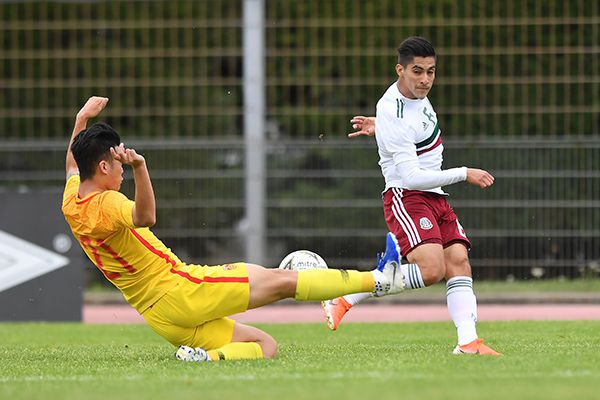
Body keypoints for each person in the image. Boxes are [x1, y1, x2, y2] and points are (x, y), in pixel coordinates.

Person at [62, 96, 404, 362]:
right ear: (104, 165)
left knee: (264, 346)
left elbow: (72, 163)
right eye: (116, 164)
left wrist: (82, 119)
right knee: (283, 281)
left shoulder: (72, 199)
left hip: (159, 316)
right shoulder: (108, 204)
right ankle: (378, 279)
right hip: (181, 291)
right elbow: (145, 217)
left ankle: (203, 358)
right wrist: (140, 167)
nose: (120, 171)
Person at [322, 36, 501, 356]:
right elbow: (411, 176)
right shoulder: (394, 111)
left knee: (458, 260)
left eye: (431, 72)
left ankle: (468, 342)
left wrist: (382, 127)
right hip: (408, 194)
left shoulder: (406, 103)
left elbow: (404, 124)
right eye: (417, 71)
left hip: (434, 195)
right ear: (400, 70)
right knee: (431, 270)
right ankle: (347, 294)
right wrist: (464, 173)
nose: (425, 79)